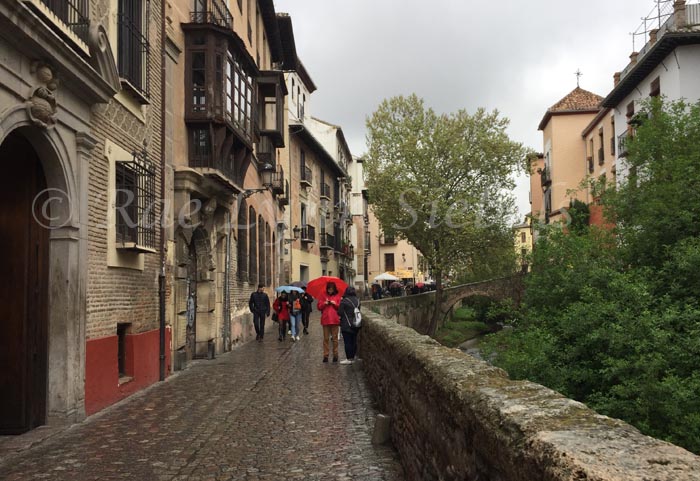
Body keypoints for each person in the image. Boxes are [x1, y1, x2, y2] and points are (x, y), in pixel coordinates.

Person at [317, 282, 342, 363]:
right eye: (329, 289)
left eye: (332, 289)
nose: (330, 291)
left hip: (334, 320)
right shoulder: (323, 295)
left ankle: (335, 355)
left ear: (334, 289)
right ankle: (326, 355)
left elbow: (340, 307)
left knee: (335, 339)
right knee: (326, 339)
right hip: (326, 320)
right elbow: (319, 307)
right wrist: (325, 303)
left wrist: (334, 304)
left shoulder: (337, 296)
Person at [338, 286, 361, 364]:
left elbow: (340, 312)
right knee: (354, 341)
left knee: (347, 342)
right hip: (356, 323)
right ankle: (353, 356)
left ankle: (349, 359)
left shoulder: (344, 301)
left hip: (346, 324)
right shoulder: (357, 300)